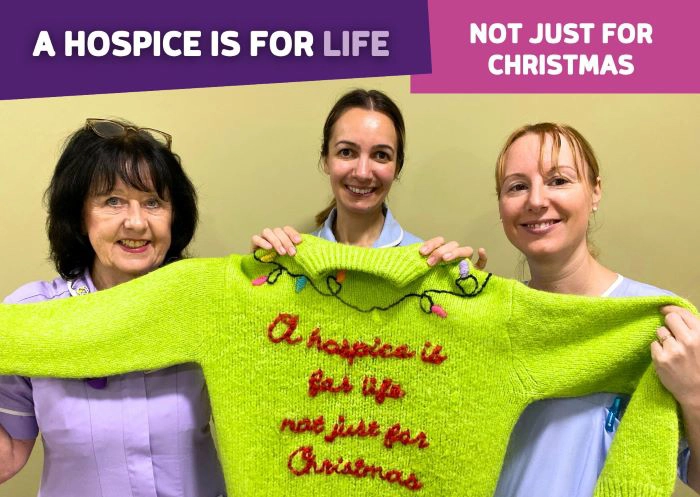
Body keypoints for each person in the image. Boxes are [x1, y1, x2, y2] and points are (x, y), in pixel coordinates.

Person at [0, 118, 226, 497]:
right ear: (79, 214)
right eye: (113, 201)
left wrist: (285, 265)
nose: (136, 222)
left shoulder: (209, 305)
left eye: (153, 202)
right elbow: (7, 456)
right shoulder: (30, 317)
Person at [490, 122, 700, 495]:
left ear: (595, 192)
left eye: (558, 180)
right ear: (501, 205)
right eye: (517, 186)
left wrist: (695, 395)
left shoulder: (662, 325)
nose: (536, 200)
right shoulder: (491, 320)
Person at [251, 89, 488, 267]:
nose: (363, 173)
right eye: (346, 152)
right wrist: (260, 271)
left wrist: (465, 302)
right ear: (326, 159)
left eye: (381, 155)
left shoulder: (427, 263)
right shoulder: (292, 257)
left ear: (397, 168)